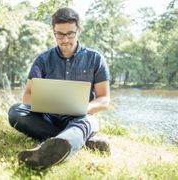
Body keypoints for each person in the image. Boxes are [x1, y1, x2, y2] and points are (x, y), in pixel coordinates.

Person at [8, 7, 111, 169]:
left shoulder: (95, 59)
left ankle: (55, 147)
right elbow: (27, 95)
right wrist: (46, 103)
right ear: (54, 32)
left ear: (79, 30)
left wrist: (87, 107)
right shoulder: (42, 60)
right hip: (49, 117)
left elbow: (104, 99)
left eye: (70, 34)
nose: (65, 40)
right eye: (60, 34)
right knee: (15, 111)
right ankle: (80, 140)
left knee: (87, 122)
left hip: (80, 118)